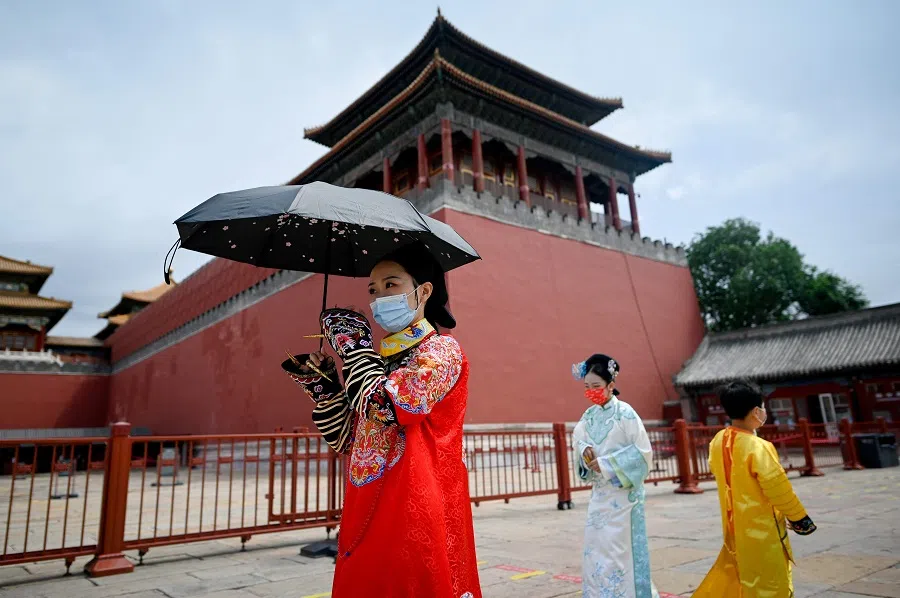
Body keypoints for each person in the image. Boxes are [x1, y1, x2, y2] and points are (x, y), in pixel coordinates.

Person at [282, 243, 481, 598]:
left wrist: (356, 349)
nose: (378, 298)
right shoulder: (381, 363)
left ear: (423, 291)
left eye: (391, 285)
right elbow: (349, 440)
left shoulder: (440, 351)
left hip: (415, 503)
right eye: (373, 290)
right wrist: (324, 385)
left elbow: (387, 407)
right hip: (366, 505)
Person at [694, 380, 817, 598]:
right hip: (761, 529)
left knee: (739, 576)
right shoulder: (758, 447)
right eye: (762, 407)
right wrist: (800, 518)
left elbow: (716, 468)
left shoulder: (718, 440)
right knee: (769, 581)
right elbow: (778, 488)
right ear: (755, 411)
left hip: (732, 527)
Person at [571, 354, 659, 598]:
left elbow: (643, 454)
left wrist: (608, 464)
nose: (591, 392)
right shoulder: (588, 417)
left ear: (611, 385)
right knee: (596, 549)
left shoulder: (626, 414)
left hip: (624, 497)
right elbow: (578, 440)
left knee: (619, 550)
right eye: (587, 387)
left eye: (596, 386)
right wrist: (583, 451)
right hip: (599, 497)